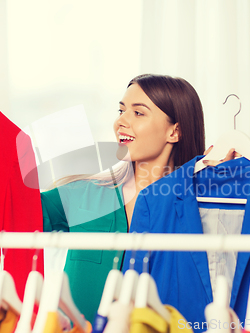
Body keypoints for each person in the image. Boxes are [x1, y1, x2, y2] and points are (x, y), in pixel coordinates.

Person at [41, 74, 236, 323]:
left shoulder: (202, 205)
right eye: (121, 111)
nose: (120, 122)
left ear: (175, 131)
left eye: (138, 113)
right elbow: (8, 205)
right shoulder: (82, 195)